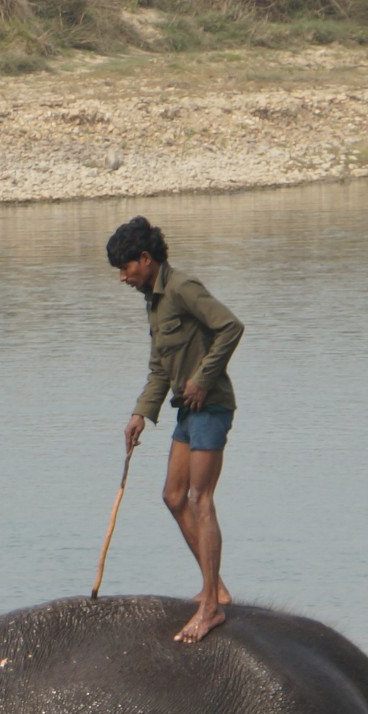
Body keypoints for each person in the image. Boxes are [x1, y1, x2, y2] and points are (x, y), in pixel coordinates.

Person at [107, 216, 245, 644]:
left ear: (145, 259)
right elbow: (158, 368)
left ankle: (211, 608)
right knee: (172, 496)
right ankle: (215, 586)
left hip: (211, 407)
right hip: (187, 411)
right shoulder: (153, 300)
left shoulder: (183, 288)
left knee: (200, 498)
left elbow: (230, 327)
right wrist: (140, 414)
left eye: (126, 268)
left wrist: (203, 379)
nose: (123, 278)